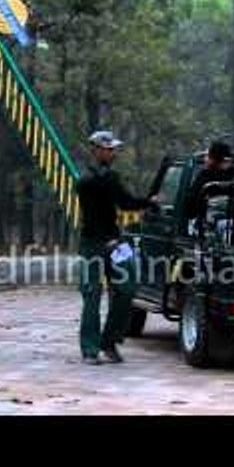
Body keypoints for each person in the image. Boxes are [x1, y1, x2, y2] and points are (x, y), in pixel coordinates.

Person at [75, 130, 157, 365]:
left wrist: (147, 202)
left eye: (114, 149)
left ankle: (109, 341)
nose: (113, 153)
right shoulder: (86, 182)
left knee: (128, 288)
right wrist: (148, 201)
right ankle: (90, 349)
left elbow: (124, 202)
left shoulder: (110, 177)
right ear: (96, 150)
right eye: (109, 149)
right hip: (93, 244)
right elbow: (99, 212)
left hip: (115, 241)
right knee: (92, 294)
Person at [184, 140, 234, 221]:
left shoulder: (205, 176)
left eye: (207, 156)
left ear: (214, 159)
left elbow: (190, 205)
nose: (205, 159)